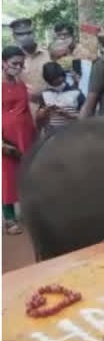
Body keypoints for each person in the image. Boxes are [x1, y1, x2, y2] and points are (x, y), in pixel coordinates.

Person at [2, 46, 37, 235]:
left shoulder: (22, 84)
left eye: (21, 64)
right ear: (3, 63)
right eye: (14, 63)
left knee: (26, 175)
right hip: (6, 140)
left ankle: (28, 213)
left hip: (26, 136)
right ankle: (9, 219)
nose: (18, 67)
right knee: (7, 178)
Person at [36, 62, 85, 136]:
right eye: (54, 83)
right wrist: (45, 111)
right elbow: (40, 118)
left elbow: (86, 115)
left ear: (63, 76)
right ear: (48, 81)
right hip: (53, 135)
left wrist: (67, 114)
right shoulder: (44, 95)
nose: (57, 84)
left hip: (74, 133)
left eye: (60, 81)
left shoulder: (76, 92)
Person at [9, 18, 50, 105]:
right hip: (22, 108)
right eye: (20, 34)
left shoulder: (49, 55)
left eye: (28, 33)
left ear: (34, 33)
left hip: (49, 106)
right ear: (14, 36)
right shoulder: (10, 60)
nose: (26, 37)